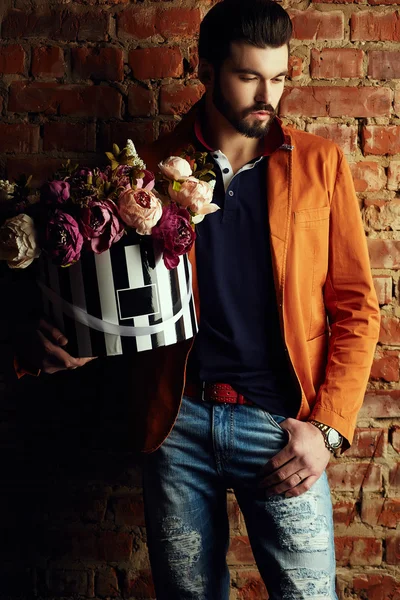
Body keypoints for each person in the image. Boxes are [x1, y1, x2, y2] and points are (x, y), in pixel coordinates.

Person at [14, 0, 380, 598]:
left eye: (280, 77)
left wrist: (330, 430)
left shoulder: (321, 164)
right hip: (178, 425)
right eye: (249, 76)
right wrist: (58, 344)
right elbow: (117, 302)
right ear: (205, 71)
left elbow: (358, 308)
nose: (269, 95)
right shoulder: (146, 172)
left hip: (282, 428)